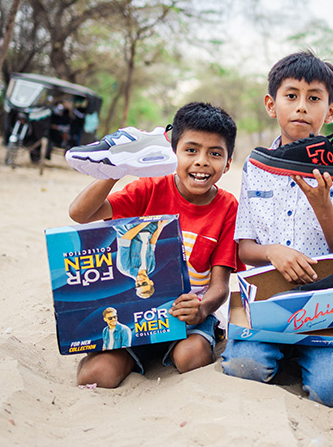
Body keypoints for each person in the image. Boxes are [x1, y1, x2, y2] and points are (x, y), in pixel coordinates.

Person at [221, 50, 333, 408]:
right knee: (243, 366)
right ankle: (290, 347)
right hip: (271, 298)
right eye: (291, 96)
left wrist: (323, 207)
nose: (301, 107)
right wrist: (272, 251)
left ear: (331, 110)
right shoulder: (257, 166)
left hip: (327, 303)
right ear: (272, 105)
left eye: (314, 98)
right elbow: (244, 248)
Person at [67, 102, 239, 388]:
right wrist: (117, 169)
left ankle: (174, 349)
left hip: (186, 317)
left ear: (228, 163)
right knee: (97, 375)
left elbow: (220, 286)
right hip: (133, 313)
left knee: (192, 357)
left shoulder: (228, 207)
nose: (202, 161)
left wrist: (202, 308)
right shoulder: (149, 188)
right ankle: (132, 353)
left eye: (215, 154)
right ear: (174, 153)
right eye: (191, 150)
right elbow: (80, 214)